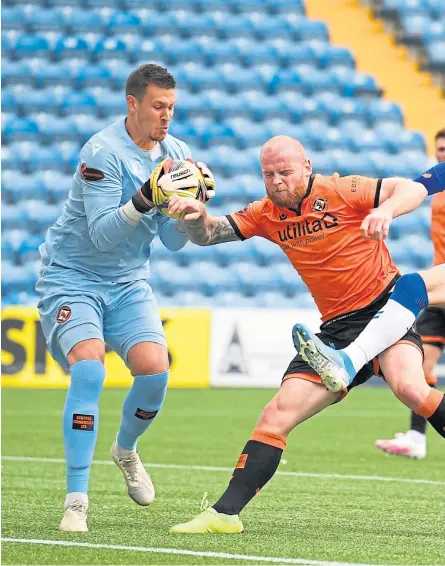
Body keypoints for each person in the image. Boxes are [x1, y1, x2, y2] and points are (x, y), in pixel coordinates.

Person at [166, 135, 445, 534]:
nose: (276, 181)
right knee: (277, 414)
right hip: (335, 331)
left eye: (285, 172)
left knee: (411, 390)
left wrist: (383, 211)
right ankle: (223, 515)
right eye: (268, 174)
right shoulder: (265, 213)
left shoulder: (342, 190)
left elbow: (407, 186)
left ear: (307, 167)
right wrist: (191, 216)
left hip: (387, 309)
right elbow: (208, 234)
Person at [36, 63, 215, 532]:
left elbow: (176, 243)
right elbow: (99, 235)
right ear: (133, 104)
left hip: (129, 281)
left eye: (172, 107)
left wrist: (193, 214)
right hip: (73, 276)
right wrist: (145, 197)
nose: (167, 116)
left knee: (155, 371)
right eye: (158, 106)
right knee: (90, 365)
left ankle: (126, 449)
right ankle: (77, 499)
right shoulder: (100, 152)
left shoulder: (176, 153)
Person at [374, 129, 445, 458]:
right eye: (440, 149)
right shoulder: (437, 190)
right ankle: (417, 438)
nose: (443, 153)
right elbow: (416, 187)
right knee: (420, 367)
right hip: (438, 288)